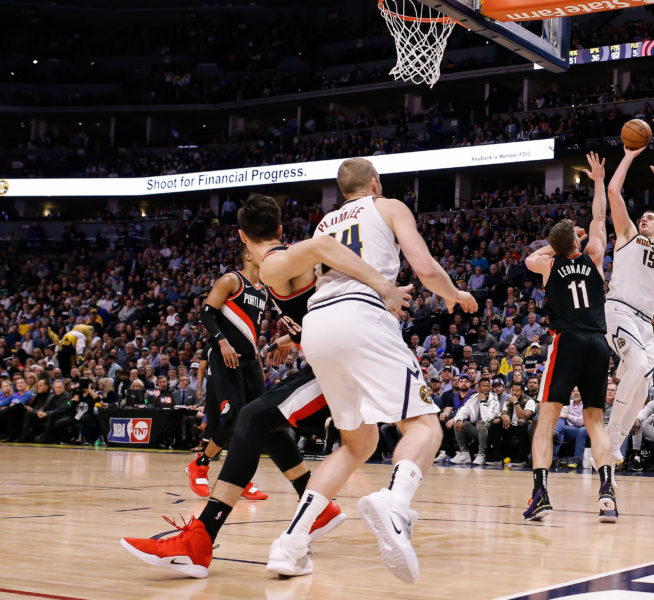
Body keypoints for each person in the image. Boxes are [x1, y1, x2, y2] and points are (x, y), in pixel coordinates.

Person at [120, 193, 410, 579]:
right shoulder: (279, 274)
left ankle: (201, 535)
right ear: (277, 227)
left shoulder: (282, 262)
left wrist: (383, 287)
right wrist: (291, 339)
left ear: (241, 235)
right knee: (261, 420)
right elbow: (322, 305)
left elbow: (328, 265)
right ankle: (313, 510)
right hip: (343, 358)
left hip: (349, 363)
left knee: (253, 418)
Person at [266, 158, 477, 583]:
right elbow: (424, 268)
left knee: (356, 443)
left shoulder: (323, 224)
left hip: (317, 325)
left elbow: (298, 282)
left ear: (344, 191)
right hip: (361, 314)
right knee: (424, 426)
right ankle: (396, 505)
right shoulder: (390, 206)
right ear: (375, 184)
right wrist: (455, 294)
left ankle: (290, 544)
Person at [522, 151, 618, 523]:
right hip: (598, 341)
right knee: (596, 421)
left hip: (567, 341)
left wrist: (557, 243)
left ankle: (541, 494)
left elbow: (531, 257)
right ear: (578, 243)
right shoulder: (594, 257)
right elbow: (599, 217)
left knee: (546, 420)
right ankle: (607, 494)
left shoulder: (548, 263)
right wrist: (597, 182)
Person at [603, 147, 654, 464]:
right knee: (637, 367)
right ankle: (611, 435)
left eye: (650, 218)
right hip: (618, 310)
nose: (644, 218)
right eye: (643, 216)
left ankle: (616, 445)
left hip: (644, 324)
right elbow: (613, 190)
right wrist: (627, 156)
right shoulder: (626, 235)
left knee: (643, 389)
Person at [186, 247, 271, 501]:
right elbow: (206, 313)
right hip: (224, 358)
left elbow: (251, 330)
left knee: (256, 421)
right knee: (232, 417)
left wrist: (258, 361)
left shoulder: (264, 290)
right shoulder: (232, 280)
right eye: (260, 251)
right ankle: (200, 464)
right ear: (247, 256)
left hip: (250, 361)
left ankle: (240, 478)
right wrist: (222, 342)